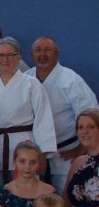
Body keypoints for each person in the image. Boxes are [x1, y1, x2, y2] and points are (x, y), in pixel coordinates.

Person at [0, 37, 56, 184]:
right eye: (1, 55)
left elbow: (43, 119)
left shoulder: (32, 84)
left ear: (19, 57)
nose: (5, 59)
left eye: (10, 55)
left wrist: (43, 153)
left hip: (24, 149)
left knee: (23, 192)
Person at [25, 36, 98, 192]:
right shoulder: (26, 79)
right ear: (31, 55)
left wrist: (81, 149)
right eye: (38, 50)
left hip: (66, 154)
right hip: (33, 156)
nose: (42, 54)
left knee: (66, 197)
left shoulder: (70, 80)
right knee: (36, 200)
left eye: (47, 50)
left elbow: (91, 115)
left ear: (56, 54)